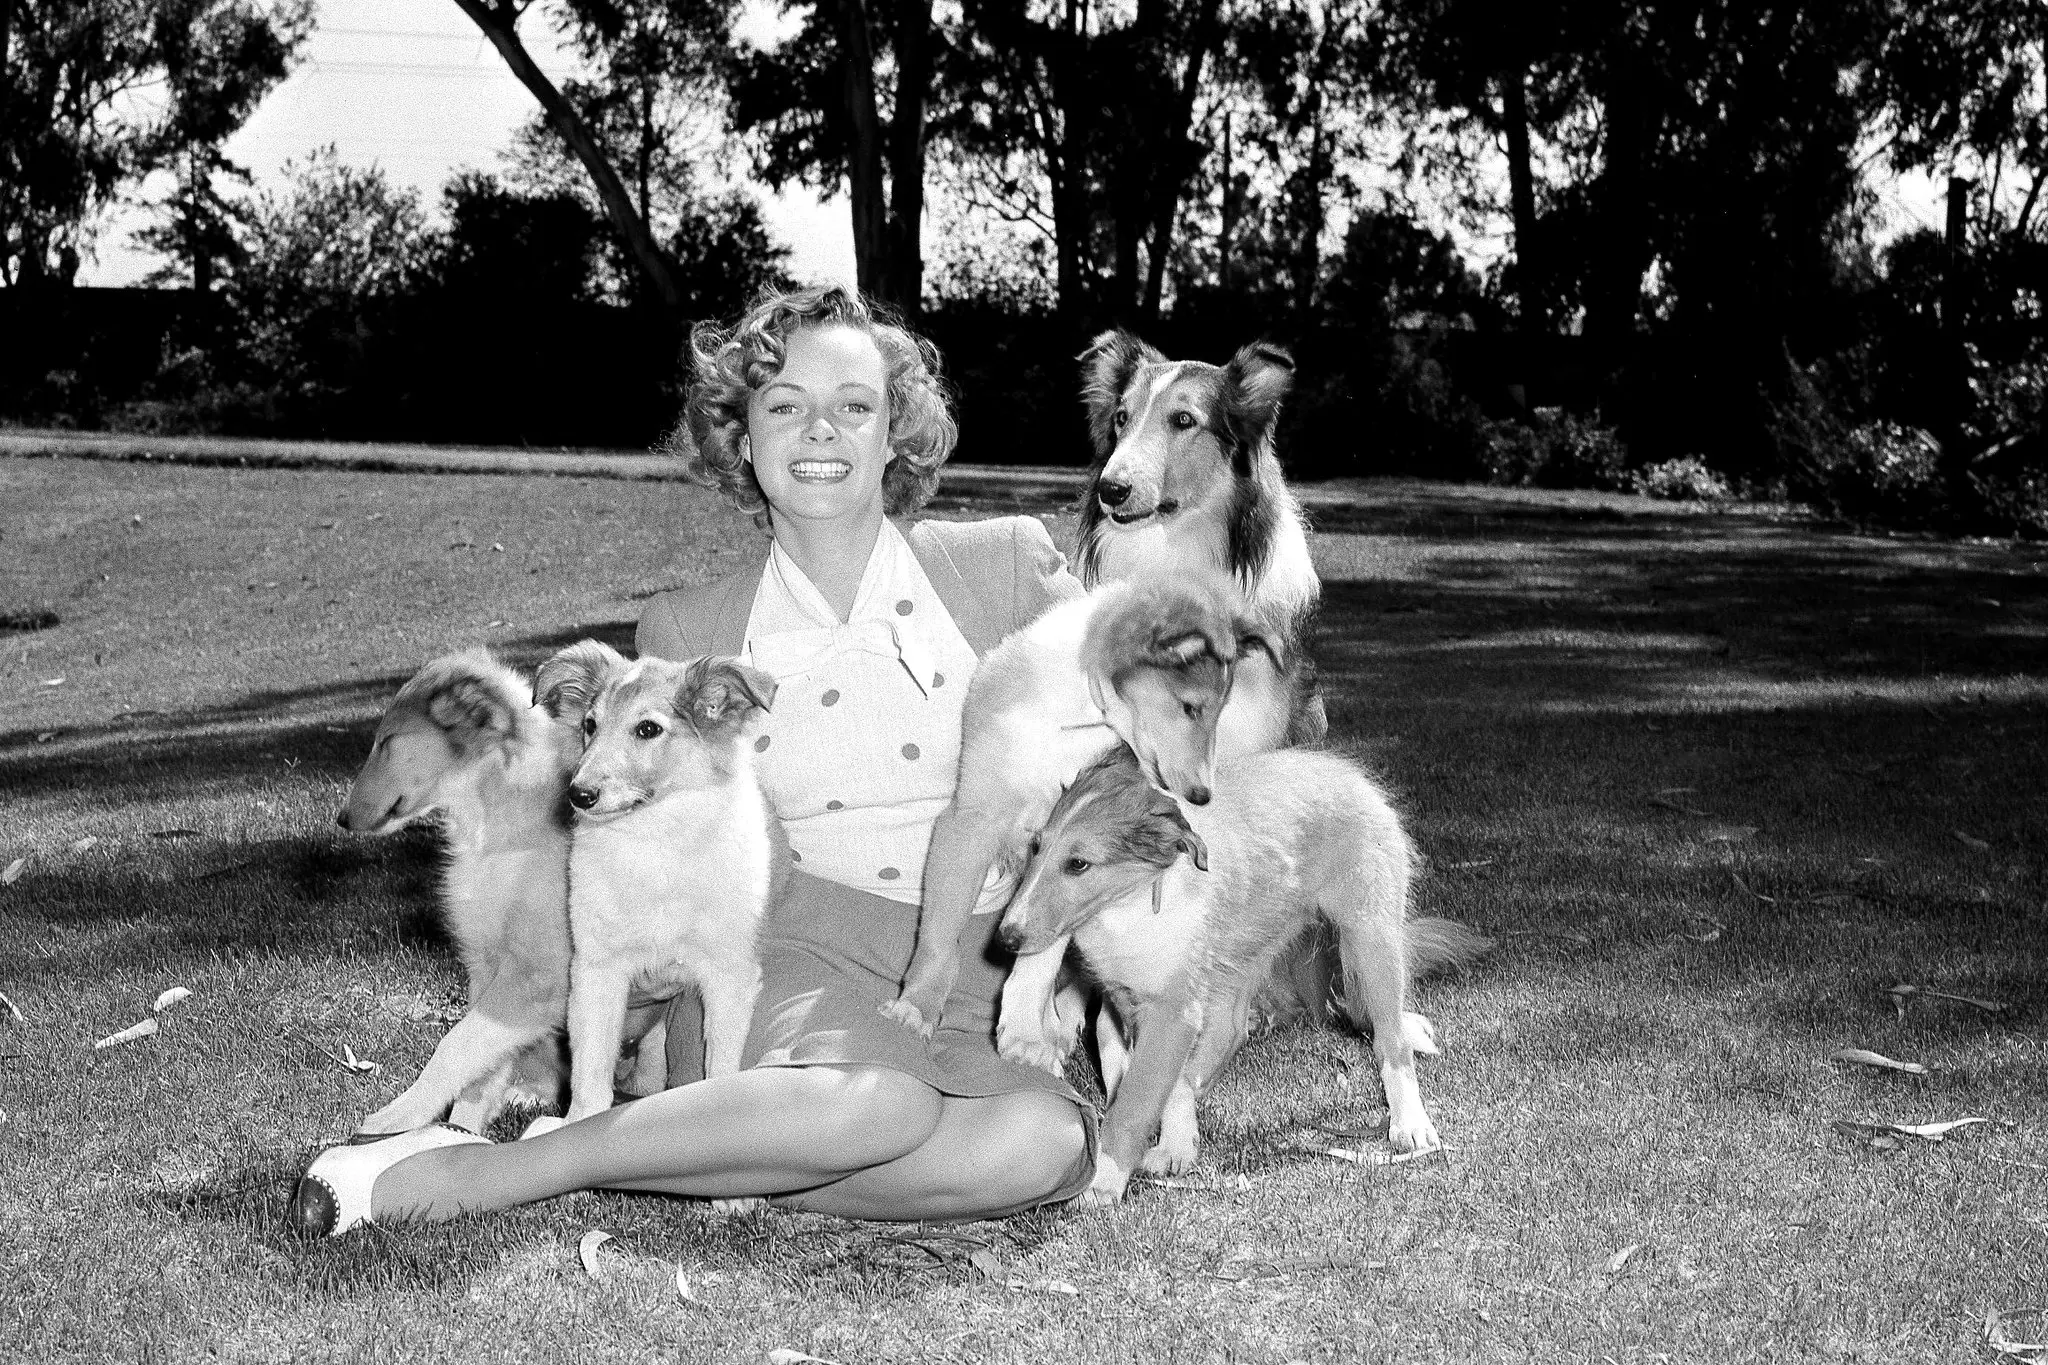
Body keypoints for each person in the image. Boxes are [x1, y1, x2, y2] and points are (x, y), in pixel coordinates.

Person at [286, 285, 1093, 1237]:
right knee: (879, 1109)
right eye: (784, 406)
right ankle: (490, 1173)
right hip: (792, 952)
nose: (820, 430)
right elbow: (643, 855)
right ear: (742, 439)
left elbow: (1112, 775)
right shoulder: (686, 628)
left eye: (855, 405)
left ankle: (669, 1144)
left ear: (895, 432)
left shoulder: (1005, 563)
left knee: (1042, 1146)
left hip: (989, 961)